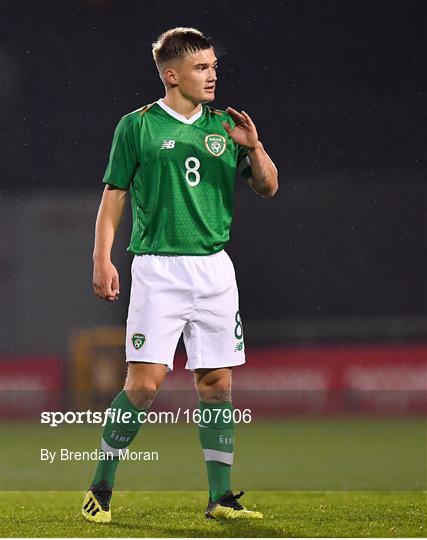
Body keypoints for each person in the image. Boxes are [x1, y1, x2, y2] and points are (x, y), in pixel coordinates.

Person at [81, 26, 278, 523]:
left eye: (213, 65)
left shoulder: (224, 127)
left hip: (215, 269)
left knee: (217, 384)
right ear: (172, 75)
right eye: (201, 67)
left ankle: (220, 498)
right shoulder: (138, 125)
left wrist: (253, 147)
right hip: (158, 268)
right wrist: (103, 257)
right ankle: (99, 490)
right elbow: (113, 199)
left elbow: (268, 187)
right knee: (144, 386)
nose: (213, 75)